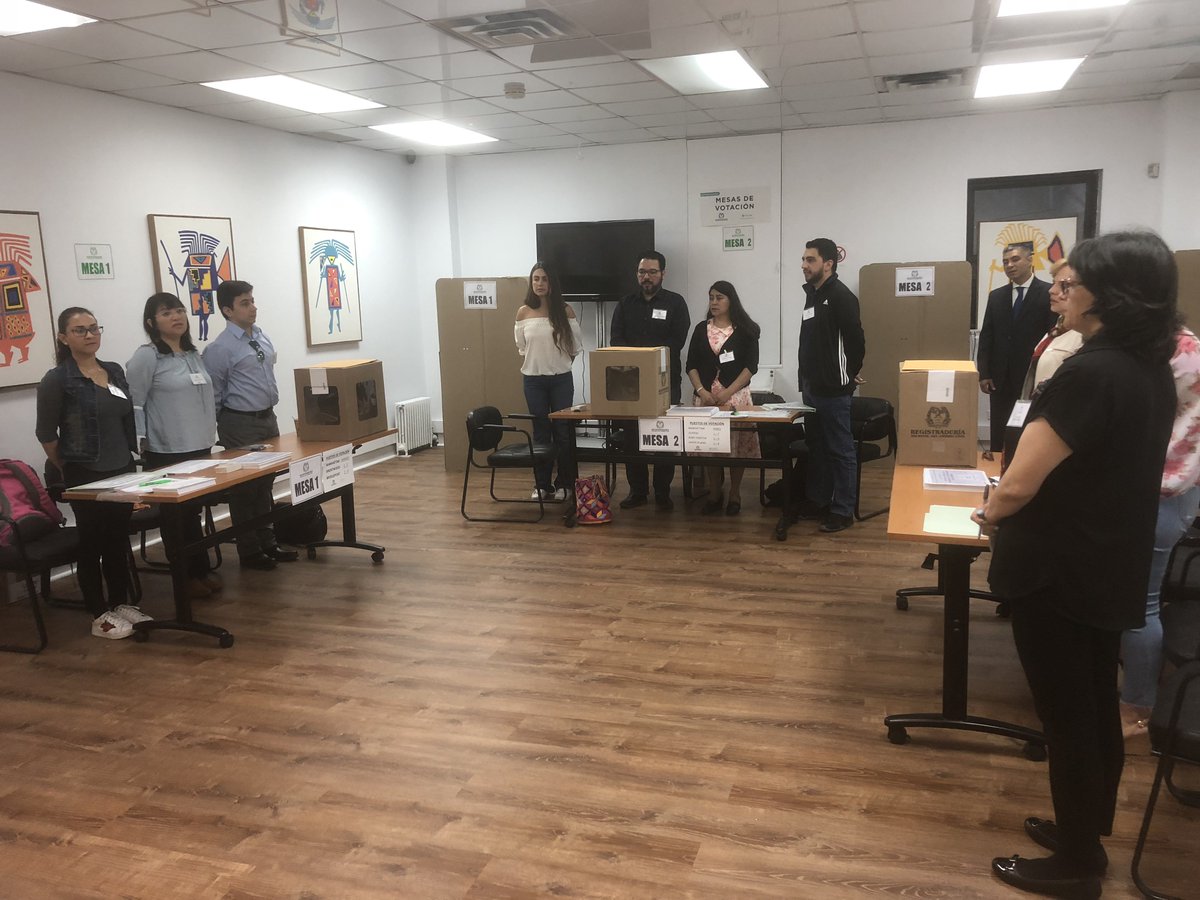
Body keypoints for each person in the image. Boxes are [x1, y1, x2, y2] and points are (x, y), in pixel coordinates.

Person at [972, 231, 1178, 898]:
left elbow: (1020, 482)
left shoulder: (1089, 372)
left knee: (1067, 716)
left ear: (1109, 296)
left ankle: (1078, 863)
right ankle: (1082, 831)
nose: (1060, 292)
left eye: (1073, 282)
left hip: (1058, 570)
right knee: (1091, 704)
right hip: (1106, 562)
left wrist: (991, 512)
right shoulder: (1148, 366)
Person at [35, 308, 151, 639]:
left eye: (94, 328)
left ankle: (120, 602)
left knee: (117, 539)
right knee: (92, 542)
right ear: (63, 338)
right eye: (80, 330)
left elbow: (125, 414)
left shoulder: (112, 370)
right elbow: (46, 434)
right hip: (83, 471)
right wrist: (66, 467)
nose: (89, 335)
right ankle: (99, 614)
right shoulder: (57, 379)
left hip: (121, 467)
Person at [1120, 326, 1200, 739]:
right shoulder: (1188, 345)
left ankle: (1137, 711)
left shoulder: (1159, 354)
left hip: (1154, 494)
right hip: (1182, 491)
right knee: (1142, 602)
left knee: (1138, 607)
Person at [127, 292, 220, 600]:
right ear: (151, 322)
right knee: (177, 517)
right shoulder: (148, 356)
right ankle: (185, 576)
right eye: (167, 313)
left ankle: (200, 570)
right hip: (168, 448)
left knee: (193, 512)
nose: (176, 317)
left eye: (179, 310)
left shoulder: (191, 353)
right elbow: (135, 402)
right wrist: (140, 441)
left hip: (199, 445)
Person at [201, 280, 298, 570]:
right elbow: (214, 393)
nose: (253, 307)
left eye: (252, 301)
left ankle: (268, 542)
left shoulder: (260, 336)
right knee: (246, 489)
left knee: (265, 484)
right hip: (240, 422)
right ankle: (250, 550)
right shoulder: (220, 348)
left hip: (267, 417)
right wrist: (218, 429)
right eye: (244, 303)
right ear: (227, 310)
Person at [609, 251, 690, 511]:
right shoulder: (625, 304)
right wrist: (637, 362)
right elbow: (616, 340)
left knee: (664, 437)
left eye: (652, 272)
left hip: (665, 382)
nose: (647, 277)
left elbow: (677, 341)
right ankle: (638, 491)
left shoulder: (676, 303)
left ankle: (663, 492)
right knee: (632, 439)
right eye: (642, 272)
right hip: (630, 384)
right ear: (637, 274)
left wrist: (650, 361)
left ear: (663, 274)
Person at [796, 237, 865, 534]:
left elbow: (856, 342)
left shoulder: (841, 296)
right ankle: (819, 501)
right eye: (803, 259)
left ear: (828, 263)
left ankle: (842, 510)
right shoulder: (813, 295)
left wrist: (848, 375)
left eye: (810, 259)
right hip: (812, 388)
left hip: (834, 390)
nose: (804, 265)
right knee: (818, 449)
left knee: (840, 450)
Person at [686, 280, 760, 516]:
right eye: (711, 298)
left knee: (736, 448)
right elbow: (691, 365)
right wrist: (701, 391)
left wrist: (728, 392)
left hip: (735, 397)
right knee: (711, 447)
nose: (714, 302)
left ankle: (735, 493)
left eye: (719, 298)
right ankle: (714, 493)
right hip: (706, 398)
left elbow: (751, 367)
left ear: (731, 300)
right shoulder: (701, 329)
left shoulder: (746, 329)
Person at [978, 242, 1056, 457]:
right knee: (1000, 427)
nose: (1009, 265)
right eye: (1005, 262)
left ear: (1030, 260)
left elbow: (1053, 337)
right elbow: (987, 337)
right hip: (999, 377)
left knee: (1026, 428)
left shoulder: (1048, 293)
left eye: (1015, 259)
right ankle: (996, 464)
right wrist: (984, 373)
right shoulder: (996, 296)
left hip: (1031, 376)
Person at [514, 262, 581, 501]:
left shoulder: (565, 311)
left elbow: (574, 348)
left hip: (561, 380)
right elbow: (522, 348)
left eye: (544, 279)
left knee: (563, 432)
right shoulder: (523, 313)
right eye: (536, 279)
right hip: (533, 381)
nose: (540, 283)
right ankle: (542, 485)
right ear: (531, 282)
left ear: (552, 282)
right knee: (541, 432)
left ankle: (565, 483)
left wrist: (558, 365)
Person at [1020, 260, 1084, 401]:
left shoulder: (1085, 335)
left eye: (1064, 285)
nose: (1051, 290)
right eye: (1053, 283)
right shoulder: (1059, 327)